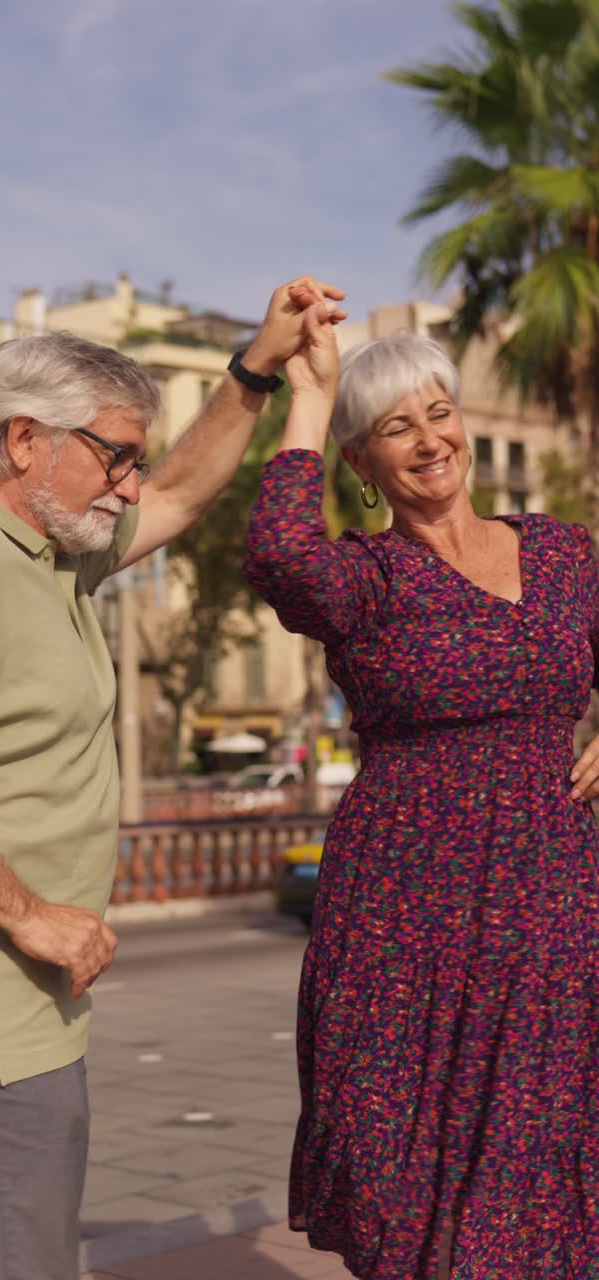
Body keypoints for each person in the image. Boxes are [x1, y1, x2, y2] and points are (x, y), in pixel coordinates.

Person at [0, 274, 346, 1280]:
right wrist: (31, 916)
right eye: (114, 455)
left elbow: (180, 493)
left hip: (16, 1020)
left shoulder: (46, 552)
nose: (131, 483)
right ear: (24, 441)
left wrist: (254, 369)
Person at [245, 304, 599, 1279]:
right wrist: (309, 395)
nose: (430, 439)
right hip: (400, 909)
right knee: (394, 1161)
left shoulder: (564, 553)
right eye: (397, 427)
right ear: (362, 461)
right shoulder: (364, 578)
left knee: (533, 1154)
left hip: (549, 900)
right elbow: (279, 554)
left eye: (440, 413)